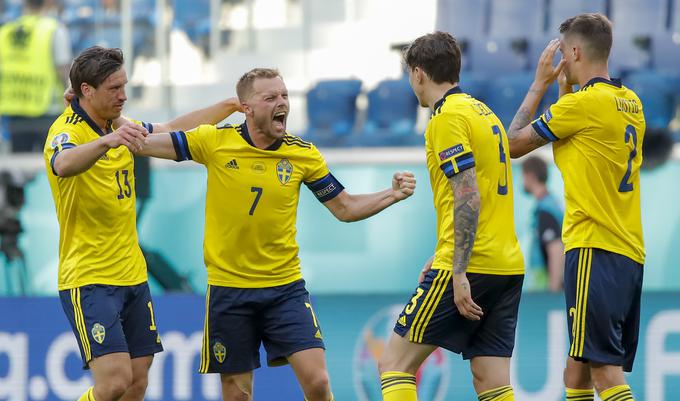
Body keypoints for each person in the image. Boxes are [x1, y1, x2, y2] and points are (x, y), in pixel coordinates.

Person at [135, 67, 416, 401]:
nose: (282, 102)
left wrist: (391, 194)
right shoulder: (214, 141)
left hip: (284, 289)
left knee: (319, 383)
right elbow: (145, 141)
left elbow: (345, 208)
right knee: (237, 394)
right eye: (270, 97)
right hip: (230, 290)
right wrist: (103, 126)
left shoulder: (302, 154)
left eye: (284, 95)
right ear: (247, 108)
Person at [44, 46, 242, 401]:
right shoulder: (67, 130)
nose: (123, 95)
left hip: (133, 275)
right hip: (89, 278)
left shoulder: (119, 126)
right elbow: (63, 164)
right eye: (114, 88)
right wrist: (107, 141)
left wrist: (228, 105)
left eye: (124, 86)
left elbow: (169, 129)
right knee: (113, 383)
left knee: (137, 383)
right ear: (86, 91)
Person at [376, 32, 524, 401]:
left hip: (470, 266)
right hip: (506, 265)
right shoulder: (484, 112)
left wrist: (457, 269)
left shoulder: (446, 118)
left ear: (418, 74)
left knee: (394, 364)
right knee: (491, 380)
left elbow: (468, 195)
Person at [506, 13, 645, 401]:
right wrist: (565, 90)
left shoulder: (582, 107)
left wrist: (541, 83)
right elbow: (575, 137)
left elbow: (513, 144)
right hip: (628, 250)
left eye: (564, 53)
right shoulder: (630, 102)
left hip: (593, 248)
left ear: (575, 52)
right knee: (577, 370)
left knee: (604, 374)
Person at [0, 0, 72, 152]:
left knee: (19, 170)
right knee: (50, 165)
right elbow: (63, 70)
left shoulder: (5, 31)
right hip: (47, 109)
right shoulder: (54, 30)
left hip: (15, 110)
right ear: (47, 3)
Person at [521, 156, 564, 292]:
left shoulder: (546, 210)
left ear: (531, 176)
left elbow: (556, 249)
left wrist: (553, 292)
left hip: (547, 289)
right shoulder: (551, 203)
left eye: (523, 175)